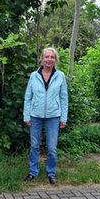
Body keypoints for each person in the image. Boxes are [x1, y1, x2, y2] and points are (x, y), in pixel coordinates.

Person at [23, 47, 68, 184]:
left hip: (54, 115)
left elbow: (64, 98)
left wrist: (63, 117)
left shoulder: (60, 76)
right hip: (35, 115)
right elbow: (28, 97)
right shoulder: (33, 75)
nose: (49, 59)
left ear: (55, 60)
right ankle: (33, 172)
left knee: (52, 148)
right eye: (47, 57)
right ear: (42, 58)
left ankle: (51, 173)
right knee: (35, 145)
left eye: (52, 57)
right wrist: (27, 115)